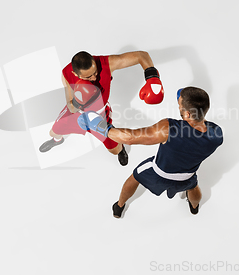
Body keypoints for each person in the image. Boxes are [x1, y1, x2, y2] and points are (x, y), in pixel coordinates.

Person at [78, 87, 223, 217]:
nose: (178, 105)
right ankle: (195, 207)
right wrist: (185, 99)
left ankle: (119, 205)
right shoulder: (216, 135)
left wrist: (99, 126)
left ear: (187, 114)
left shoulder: (169, 128)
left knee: (133, 178)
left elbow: (129, 138)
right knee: (193, 185)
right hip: (187, 176)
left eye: (179, 105)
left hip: (159, 173)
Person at [39, 50, 164, 166]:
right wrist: (79, 100)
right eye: (88, 77)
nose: (94, 78)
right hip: (77, 113)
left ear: (94, 62)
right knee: (53, 132)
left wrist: (152, 77)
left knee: (114, 150)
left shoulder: (106, 63)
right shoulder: (66, 74)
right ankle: (57, 140)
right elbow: (71, 107)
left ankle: (121, 149)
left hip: (100, 115)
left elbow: (141, 55)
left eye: (95, 73)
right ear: (75, 73)